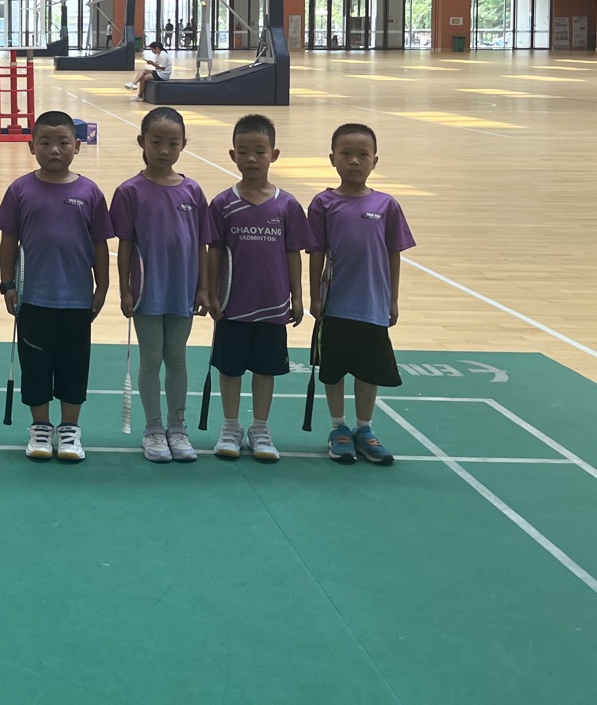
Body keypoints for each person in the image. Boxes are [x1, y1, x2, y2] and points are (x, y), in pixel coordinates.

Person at [0, 110, 112, 462]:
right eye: (45, 142)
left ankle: (70, 430)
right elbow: (8, 241)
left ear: (77, 146)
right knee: (36, 366)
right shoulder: (19, 190)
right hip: (33, 299)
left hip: (77, 300)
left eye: (63, 142)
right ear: (32, 147)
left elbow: (101, 244)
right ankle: (41, 428)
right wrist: (8, 284)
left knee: (74, 365)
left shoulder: (90, 192)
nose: (55, 150)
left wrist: (102, 287)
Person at [201, 113, 311, 462]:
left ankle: (260, 428)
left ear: (273, 155)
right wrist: (211, 292)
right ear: (232, 155)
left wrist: (298, 296)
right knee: (230, 369)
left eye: (259, 151)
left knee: (266, 370)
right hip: (233, 305)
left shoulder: (287, 205)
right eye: (243, 151)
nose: (251, 158)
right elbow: (213, 252)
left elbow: (294, 253)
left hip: (273, 306)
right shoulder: (223, 204)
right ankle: (230, 427)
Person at [112, 106, 215, 463]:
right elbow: (124, 245)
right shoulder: (129, 191)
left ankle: (177, 427)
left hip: (182, 291)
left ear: (184, 144)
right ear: (142, 141)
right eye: (156, 142)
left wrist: (204, 288)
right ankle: (153, 429)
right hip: (147, 293)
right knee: (151, 358)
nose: (165, 150)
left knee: (177, 358)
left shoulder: (193, 191)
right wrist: (125, 289)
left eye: (173, 143)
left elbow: (202, 245)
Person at [309, 122, 416, 467]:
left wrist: (393, 299)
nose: (354, 161)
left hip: (372, 304)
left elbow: (393, 253)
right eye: (346, 154)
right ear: (332, 159)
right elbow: (316, 252)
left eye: (362, 155)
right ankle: (338, 428)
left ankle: (364, 429)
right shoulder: (323, 203)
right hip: (336, 304)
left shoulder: (387, 205)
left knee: (369, 371)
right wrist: (314, 297)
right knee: (334, 369)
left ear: (375, 161)